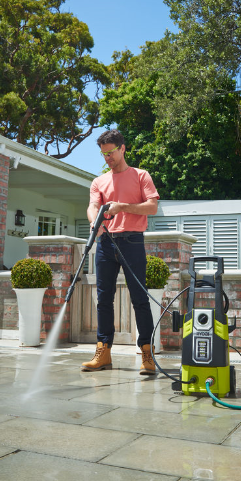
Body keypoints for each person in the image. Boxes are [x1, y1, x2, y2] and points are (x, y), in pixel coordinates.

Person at [81, 129, 159, 375]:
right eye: (104, 154)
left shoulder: (140, 175)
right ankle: (103, 351)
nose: (108, 158)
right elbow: (93, 206)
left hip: (132, 242)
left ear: (122, 148)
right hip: (106, 244)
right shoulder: (99, 181)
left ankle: (146, 352)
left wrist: (122, 207)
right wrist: (95, 222)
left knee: (140, 299)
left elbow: (152, 207)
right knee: (103, 299)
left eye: (111, 153)